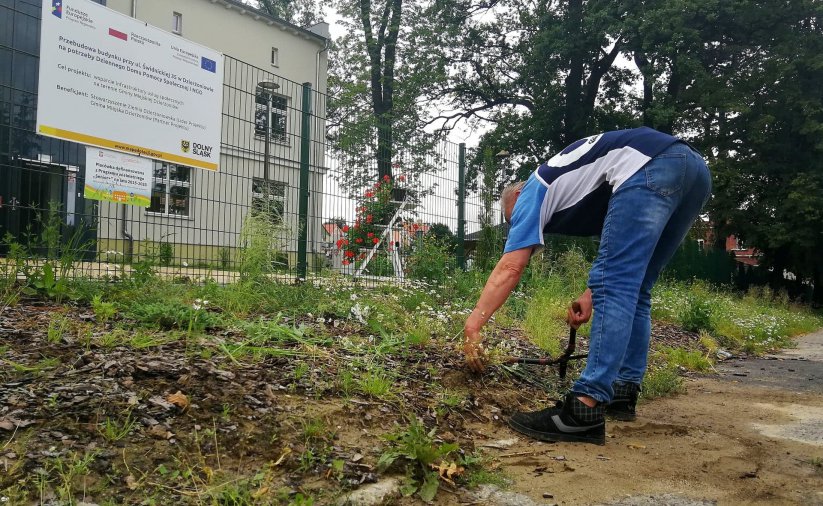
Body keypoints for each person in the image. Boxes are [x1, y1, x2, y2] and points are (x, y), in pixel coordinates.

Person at [462, 127, 711, 445]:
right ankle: (623, 392)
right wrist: (590, 294)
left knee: (618, 286)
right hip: (692, 171)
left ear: (517, 197)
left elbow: (511, 265)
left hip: (652, 164)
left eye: (515, 220)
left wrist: (473, 325)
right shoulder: (579, 188)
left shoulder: (533, 189)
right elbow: (623, 259)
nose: (520, 227)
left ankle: (584, 409)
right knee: (638, 289)